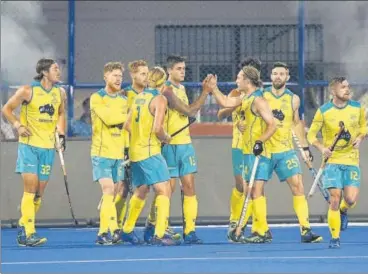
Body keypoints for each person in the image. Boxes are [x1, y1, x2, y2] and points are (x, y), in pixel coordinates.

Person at [143, 55, 212, 244]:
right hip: (169, 146)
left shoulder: (182, 88)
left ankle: (190, 231)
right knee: (167, 190)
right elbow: (189, 111)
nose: (183, 71)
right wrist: (206, 92)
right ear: (169, 71)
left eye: (184, 68)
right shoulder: (166, 90)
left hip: (185, 145)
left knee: (189, 186)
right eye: (179, 69)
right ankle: (154, 224)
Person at [1, 58, 66, 247]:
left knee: (39, 192)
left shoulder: (60, 93)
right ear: (44, 72)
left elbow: (61, 113)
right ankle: (29, 233)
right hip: (29, 146)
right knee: (30, 189)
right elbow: (6, 109)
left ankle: (23, 226)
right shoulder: (27, 90)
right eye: (55, 69)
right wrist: (18, 125)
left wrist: (61, 135)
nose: (59, 72)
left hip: (47, 148)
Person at [209, 66, 277, 243]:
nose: (236, 80)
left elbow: (272, 125)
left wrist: (260, 141)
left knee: (256, 190)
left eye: (239, 77)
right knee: (251, 189)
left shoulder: (259, 100)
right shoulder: (244, 98)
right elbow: (225, 103)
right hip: (247, 151)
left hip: (259, 152)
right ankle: (258, 230)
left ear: (248, 80)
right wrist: (213, 88)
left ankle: (262, 231)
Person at [120, 66, 181, 246]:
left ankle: (127, 229)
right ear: (164, 83)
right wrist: (166, 137)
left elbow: (128, 125)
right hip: (150, 151)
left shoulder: (139, 97)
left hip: (136, 151)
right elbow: (157, 129)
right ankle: (159, 234)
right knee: (165, 190)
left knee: (142, 190)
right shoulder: (159, 99)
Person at [262, 62, 322, 243]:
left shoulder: (293, 99)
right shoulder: (262, 96)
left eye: (282, 74)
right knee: (256, 190)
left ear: (287, 77)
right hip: (264, 151)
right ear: (270, 77)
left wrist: (305, 148)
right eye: (274, 73)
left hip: (285, 150)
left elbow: (296, 124)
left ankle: (305, 229)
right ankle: (261, 230)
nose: (278, 76)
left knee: (298, 187)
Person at [307, 76, 367, 248]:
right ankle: (335, 237)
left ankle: (344, 209)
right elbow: (311, 135)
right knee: (334, 197)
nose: (348, 90)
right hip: (332, 161)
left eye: (348, 87)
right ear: (333, 91)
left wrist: (361, 137)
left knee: (350, 198)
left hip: (351, 160)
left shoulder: (357, 108)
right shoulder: (324, 111)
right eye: (343, 87)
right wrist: (321, 149)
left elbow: (364, 127)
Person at [217, 57, 266, 241]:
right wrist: (237, 120)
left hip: (255, 146)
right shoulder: (236, 93)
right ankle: (235, 220)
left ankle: (258, 226)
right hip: (238, 145)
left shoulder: (261, 96)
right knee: (241, 186)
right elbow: (221, 113)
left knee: (256, 188)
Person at [90, 62, 128, 245]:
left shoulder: (123, 100)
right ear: (105, 77)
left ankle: (102, 233)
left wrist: (127, 150)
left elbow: (127, 128)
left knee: (113, 194)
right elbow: (110, 119)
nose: (118, 79)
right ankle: (114, 229)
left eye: (120, 76)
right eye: (114, 75)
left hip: (118, 154)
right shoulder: (97, 98)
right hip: (101, 153)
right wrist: (128, 117)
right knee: (108, 190)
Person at [114, 60, 149, 230]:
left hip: (145, 149)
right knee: (123, 188)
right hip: (126, 148)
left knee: (144, 187)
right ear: (133, 75)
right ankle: (114, 227)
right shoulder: (123, 94)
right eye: (142, 73)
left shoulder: (151, 94)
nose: (146, 77)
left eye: (147, 73)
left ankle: (130, 226)